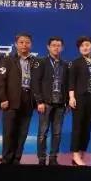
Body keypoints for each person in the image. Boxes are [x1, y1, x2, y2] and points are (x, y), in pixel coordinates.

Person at [0, 32, 38, 165]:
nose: (24, 45)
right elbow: (0, 81)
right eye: (21, 42)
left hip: (28, 100)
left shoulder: (35, 61)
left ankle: (16, 159)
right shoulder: (8, 59)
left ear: (31, 44)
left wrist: (38, 101)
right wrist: (3, 98)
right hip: (11, 100)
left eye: (27, 42)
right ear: (16, 44)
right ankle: (6, 159)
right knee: (9, 132)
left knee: (23, 133)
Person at [32, 36, 69, 166]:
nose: (56, 48)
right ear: (48, 47)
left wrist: (67, 101)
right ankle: (42, 158)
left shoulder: (65, 64)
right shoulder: (41, 62)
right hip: (46, 103)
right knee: (43, 132)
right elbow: (35, 82)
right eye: (53, 45)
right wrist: (39, 101)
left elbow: (67, 84)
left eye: (58, 45)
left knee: (57, 133)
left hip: (60, 103)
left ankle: (53, 157)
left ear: (62, 48)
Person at [67, 36, 91, 167]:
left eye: (87, 45)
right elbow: (71, 81)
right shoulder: (76, 63)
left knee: (88, 127)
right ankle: (75, 154)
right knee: (78, 127)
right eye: (82, 46)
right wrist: (71, 97)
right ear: (79, 49)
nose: (85, 48)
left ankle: (81, 153)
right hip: (79, 98)